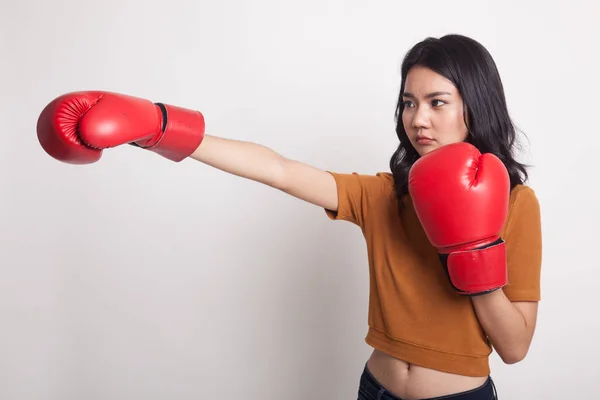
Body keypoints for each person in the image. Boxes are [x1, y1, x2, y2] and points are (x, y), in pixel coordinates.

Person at [36, 34, 542, 400]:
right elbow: (278, 169)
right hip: (377, 390)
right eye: (409, 103)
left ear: (473, 107)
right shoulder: (386, 195)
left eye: (437, 102)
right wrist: (159, 127)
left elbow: (515, 347)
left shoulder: (518, 205)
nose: (418, 119)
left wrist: (471, 253)